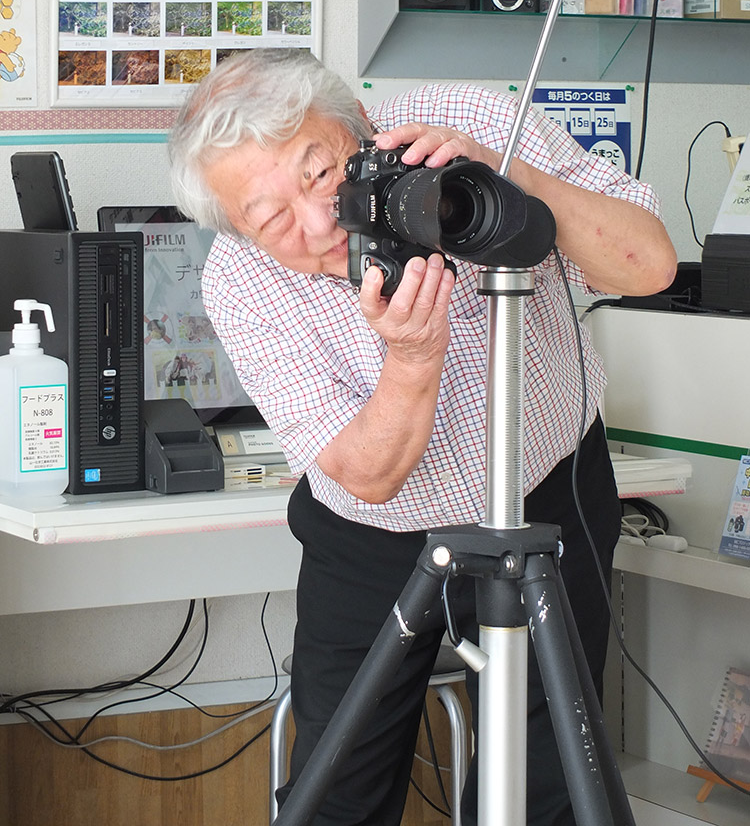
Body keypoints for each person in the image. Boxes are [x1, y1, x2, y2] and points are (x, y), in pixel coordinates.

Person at [169, 49, 676, 826]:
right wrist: (411, 358)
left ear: (360, 125)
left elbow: (650, 267)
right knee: (339, 787)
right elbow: (367, 475)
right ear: (240, 233)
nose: (319, 223)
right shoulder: (242, 283)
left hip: (551, 497)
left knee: (547, 785)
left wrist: (506, 181)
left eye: (320, 173)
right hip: (369, 539)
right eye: (272, 221)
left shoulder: (470, 124)